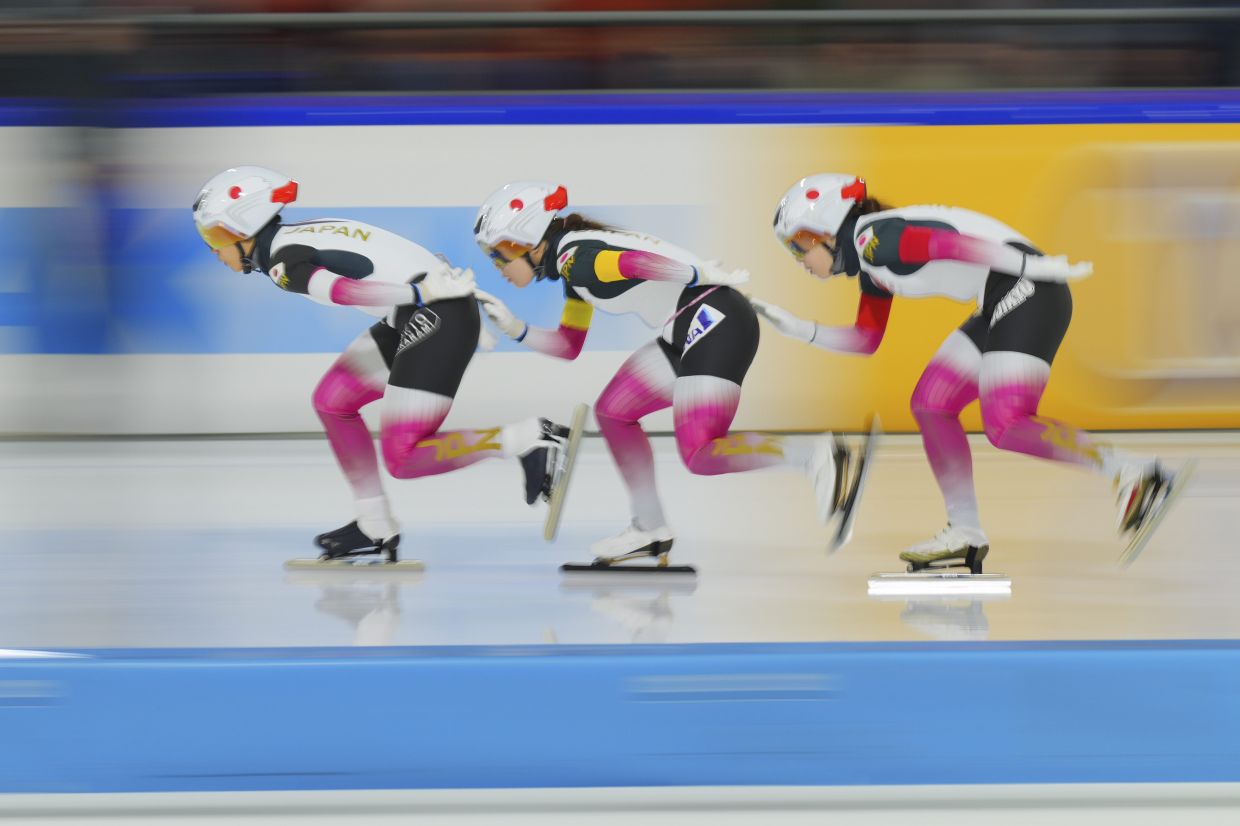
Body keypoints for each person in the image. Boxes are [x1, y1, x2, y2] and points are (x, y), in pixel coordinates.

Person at [753, 173, 1176, 572]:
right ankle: (965, 531)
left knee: (1006, 423)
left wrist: (1031, 267)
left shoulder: (871, 239)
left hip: (1026, 286)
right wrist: (798, 329)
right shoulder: (871, 262)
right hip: (1004, 293)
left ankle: (1136, 471)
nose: (799, 260)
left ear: (825, 226)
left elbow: (950, 245)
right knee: (931, 404)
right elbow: (867, 339)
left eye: (798, 245)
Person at [470, 181, 864, 567]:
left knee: (700, 452)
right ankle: (649, 528)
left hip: (714, 320)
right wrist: (515, 328)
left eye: (501, 252)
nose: (499, 265)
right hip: (688, 329)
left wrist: (693, 272)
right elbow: (569, 345)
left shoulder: (577, 258)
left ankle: (817, 456)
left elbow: (629, 263)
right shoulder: (572, 263)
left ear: (528, 240)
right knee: (613, 412)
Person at [192, 166, 569, 563]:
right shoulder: (302, 233)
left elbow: (343, 291)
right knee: (333, 401)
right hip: (423, 309)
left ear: (245, 228)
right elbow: (394, 252)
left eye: (216, 236)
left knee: (404, 457)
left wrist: (425, 291)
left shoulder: (284, 263)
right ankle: (374, 522)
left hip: (433, 310)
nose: (214, 250)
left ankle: (528, 437)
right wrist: (445, 291)